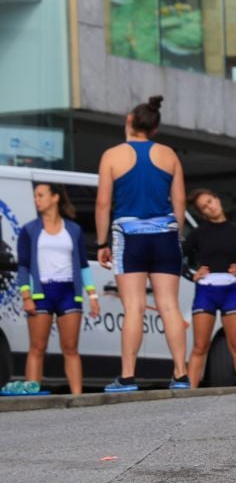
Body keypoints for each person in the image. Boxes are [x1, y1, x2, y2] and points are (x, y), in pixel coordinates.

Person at [95, 95, 190, 392]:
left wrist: (101, 243)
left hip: (129, 235)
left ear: (128, 120)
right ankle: (181, 373)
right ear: (155, 129)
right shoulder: (169, 155)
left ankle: (127, 376)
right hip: (165, 234)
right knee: (170, 307)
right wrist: (176, 235)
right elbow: (180, 201)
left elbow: (102, 203)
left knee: (134, 307)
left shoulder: (112, 156)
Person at [5, 183, 100, 396]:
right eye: (35, 196)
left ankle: (77, 397)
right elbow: (24, 266)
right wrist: (26, 296)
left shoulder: (73, 230)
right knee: (37, 348)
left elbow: (83, 265)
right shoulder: (30, 230)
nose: (36, 200)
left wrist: (92, 295)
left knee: (71, 348)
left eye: (41, 195)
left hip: (68, 291)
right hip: (42, 292)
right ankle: (30, 397)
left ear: (55, 198)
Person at [184, 188, 236, 388]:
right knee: (199, 347)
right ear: (202, 213)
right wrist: (191, 273)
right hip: (205, 290)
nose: (210, 207)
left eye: (210, 201)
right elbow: (176, 255)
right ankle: (188, 395)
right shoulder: (198, 233)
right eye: (204, 207)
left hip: (230, 290)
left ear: (217, 200)